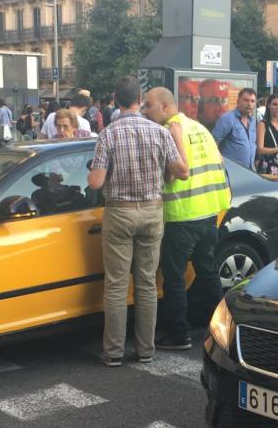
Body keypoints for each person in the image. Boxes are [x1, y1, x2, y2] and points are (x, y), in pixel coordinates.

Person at [87, 76, 188, 367]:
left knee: (117, 285)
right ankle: (146, 350)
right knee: (146, 283)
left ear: (115, 99)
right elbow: (179, 171)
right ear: (140, 98)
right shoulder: (160, 132)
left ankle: (114, 352)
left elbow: (96, 182)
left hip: (119, 212)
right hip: (152, 212)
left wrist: (90, 174)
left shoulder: (108, 134)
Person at [141, 87, 230, 350]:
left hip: (182, 216)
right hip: (209, 212)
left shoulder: (170, 131)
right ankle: (221, 326)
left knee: (174, 277)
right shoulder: (198, 128)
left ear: (166, 107)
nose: (146, 111)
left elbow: (171, 175)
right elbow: (220, 162)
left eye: (149, 106)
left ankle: (179, 335)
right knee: (208, 270)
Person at [212, 87, 258, 169]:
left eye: (252, 101)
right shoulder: (228, 118)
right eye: (246, 100)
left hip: (250, 171)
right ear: (238, 102)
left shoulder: (252, 121)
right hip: (231, 171)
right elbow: (213, 142)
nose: (249, 104)